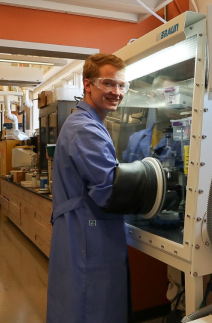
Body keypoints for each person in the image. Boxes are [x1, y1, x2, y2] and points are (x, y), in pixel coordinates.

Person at [47, 53, 131, 322]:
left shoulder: (88, 123)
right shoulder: (86, 129)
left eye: (121, 85)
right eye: (108, 83)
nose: (116, 92)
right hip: (88, 228)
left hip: (81, 225)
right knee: (92, 303)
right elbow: (107, 190)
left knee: (77, 302)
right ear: (87, 85)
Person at [122, 75, 184, 169]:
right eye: (167, 94)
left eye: (176, 95)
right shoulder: (135, 139)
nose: (173, 101)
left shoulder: (184, 140)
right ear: (154, 95)